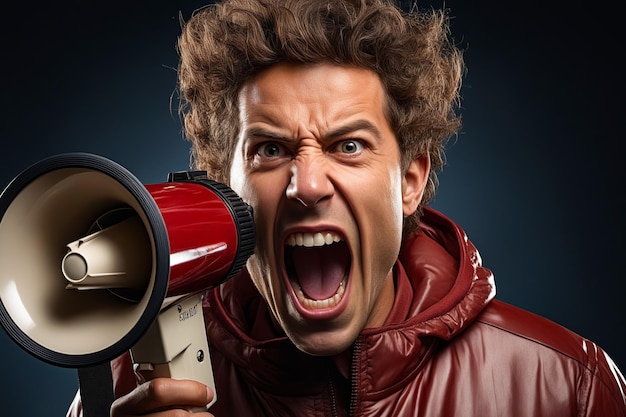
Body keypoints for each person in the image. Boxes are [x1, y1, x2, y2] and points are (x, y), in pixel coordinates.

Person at [67, 0, 626, 415]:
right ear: (223, 188)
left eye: (348, 146)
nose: (307, 185)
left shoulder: (565, 385)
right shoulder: (131, 388)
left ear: (410, 180)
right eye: (269, 149)